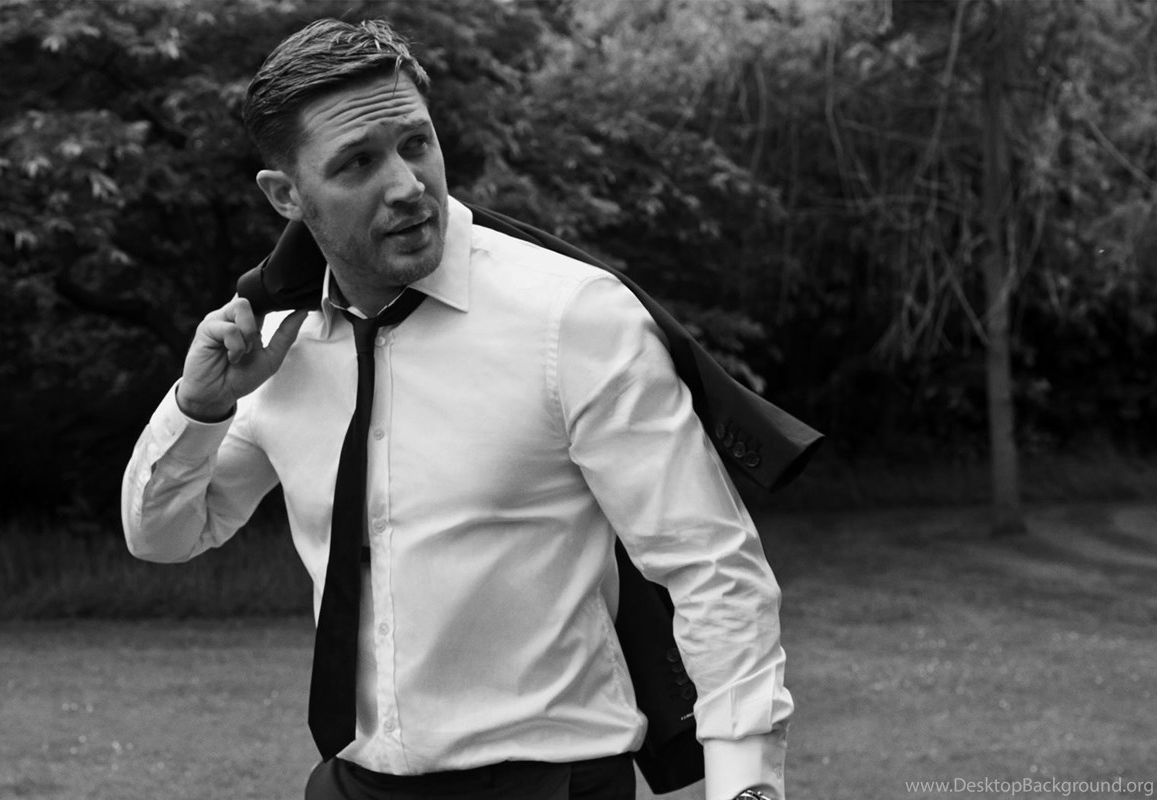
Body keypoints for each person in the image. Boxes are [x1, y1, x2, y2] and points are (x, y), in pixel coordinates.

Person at [122, 17, 792, 800]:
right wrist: (198, 409)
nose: (407, 185)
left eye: (416, 143)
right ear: (286, 196)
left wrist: (746, 789)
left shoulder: (571, 318)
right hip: (353, 783)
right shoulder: (275, 344)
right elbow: (165, 536)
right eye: (358, 162)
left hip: (549, 785)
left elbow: (713, 567)